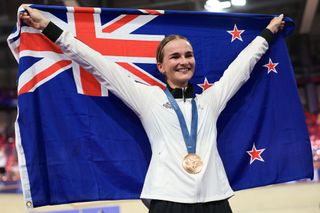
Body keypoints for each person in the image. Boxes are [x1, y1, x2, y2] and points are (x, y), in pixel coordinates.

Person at [20, 5, 285, 213]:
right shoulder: (147, 97)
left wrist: (269, 32)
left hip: (214, 199)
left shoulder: (209, 100)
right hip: (166, 200)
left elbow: (242, 67)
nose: (184, 61)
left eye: (188, 55)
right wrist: (47, 26)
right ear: (161, 67)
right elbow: (95, 62)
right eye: (175, 56)